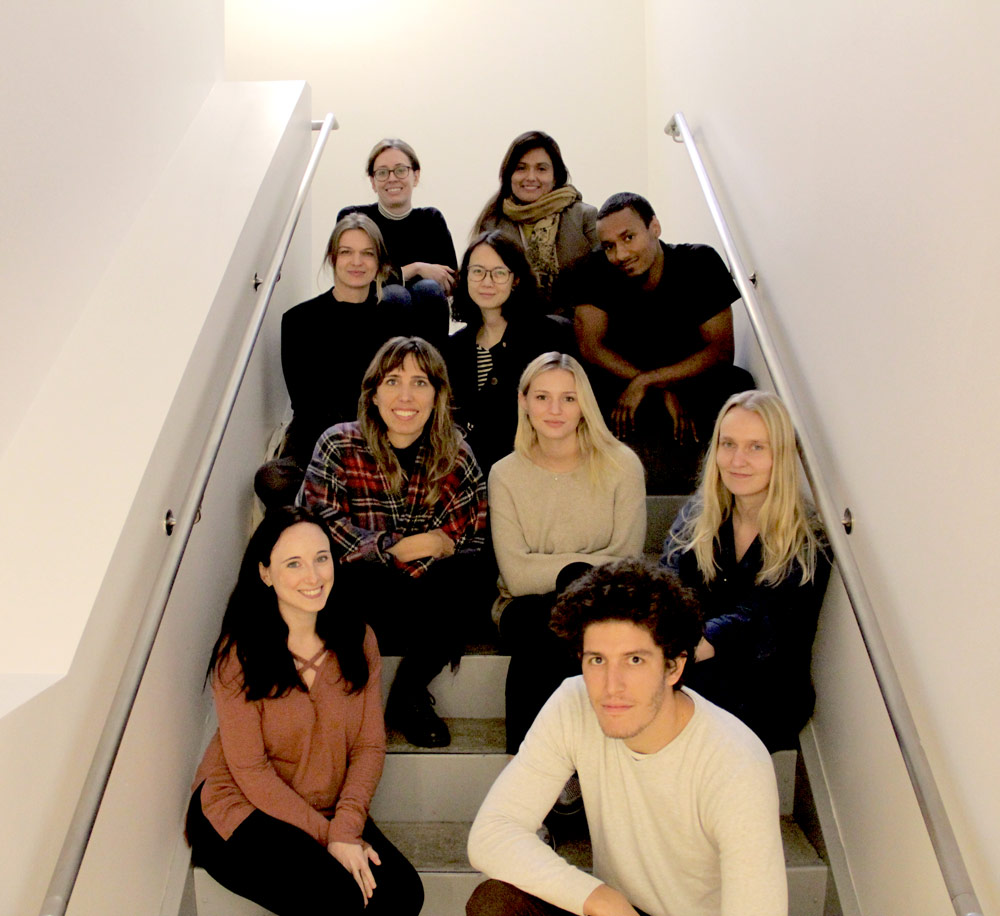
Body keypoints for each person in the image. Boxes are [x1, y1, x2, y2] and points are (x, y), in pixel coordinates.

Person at [466, 558, 787, 916]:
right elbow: (492, 833)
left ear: (673, 666)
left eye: (634, 660)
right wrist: (600, 898)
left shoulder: (735, 760)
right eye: (597, 660)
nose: (611, 686)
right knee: (496, 902)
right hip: (618, 910)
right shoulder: (575, 703)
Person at [186, 506, 423, 916]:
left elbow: (368, 746)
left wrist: (345, 826)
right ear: (265, 573)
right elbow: (251, 770)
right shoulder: (239, 654)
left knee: (403, 894)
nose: (313, 576)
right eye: (293, 563)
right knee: (339, 898)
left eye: (321, 558)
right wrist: (332, 838)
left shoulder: (358, 639)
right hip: (240, 807)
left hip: (324, 805)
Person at [296, 336, 487, 748]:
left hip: (432, 605)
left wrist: (404, 554)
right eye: (393, 381)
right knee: (351, 573)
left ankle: (408, 693)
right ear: (374, 393)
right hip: (363, 601)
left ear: (437, 396)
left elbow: (467, 538)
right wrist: (397, 549)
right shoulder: (338, 443)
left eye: (420, 383)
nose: (406, 396)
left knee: (471, 571)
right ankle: (347, 704)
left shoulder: (458, 454)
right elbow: (320, 528)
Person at [489, 352, 646, 754]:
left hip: (605, 602)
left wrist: (571, 573)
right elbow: (517, 577)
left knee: (562, 632)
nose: (554, 410)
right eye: (542, 397)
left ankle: (533, 765)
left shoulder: (622, 465)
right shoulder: (505, 473)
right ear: (524, 402)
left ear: (584, 405)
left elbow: (628, 562)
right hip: (522, 606)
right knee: (542, 626)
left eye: (568, 398)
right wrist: (583, 567)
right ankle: (551, 762)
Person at [661, 390, 831, 751]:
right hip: (694, 666)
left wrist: (690, 647)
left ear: (780, 456)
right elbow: (667, 585)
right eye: (729, 444)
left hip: (765, 687)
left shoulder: (808, 537)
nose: (737, 460)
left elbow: (761, 621)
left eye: (756, 447)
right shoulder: (699, 515)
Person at [571, 192, 754, 492]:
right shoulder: (594, 269)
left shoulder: (699, 262)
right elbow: (591, 348)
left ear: (654, 227)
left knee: (737, 384)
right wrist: (657, 388)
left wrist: (649, 381)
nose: (620, 254)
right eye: (609, 246)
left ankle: (724, 486)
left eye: (628, 237)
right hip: (621, 383)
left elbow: (721, 351)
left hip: (688, 380)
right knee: (577, 387)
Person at [256, 212, 408, 508]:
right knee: (272, 479)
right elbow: (307, 405)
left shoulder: (394, 321)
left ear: (379, 262)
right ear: (332, 258)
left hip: (380, 444)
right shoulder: (299, 321)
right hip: (318, 444)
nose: (356, 262)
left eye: (367, 253)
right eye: (347, 252)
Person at [446, 230, 574, 481]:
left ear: (516, 280)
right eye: (477, 271)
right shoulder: (454, 346)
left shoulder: (547, 335)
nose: (487, 282)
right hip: (472, 475)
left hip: (535, 469)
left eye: (499, 273)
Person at [338, 138, 456, 351]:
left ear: (415, 176)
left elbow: (448, 280)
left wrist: (392, 275)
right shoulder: (356, 219)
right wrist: (415, 269)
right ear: (373, 181)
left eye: (400, 170)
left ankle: (432, 369)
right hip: (369, 318)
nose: (392, 178)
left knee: (428, 290)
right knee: (394, 296)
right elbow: (355, 278)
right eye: (382, 172)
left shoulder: (431, 220)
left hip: (425, 317)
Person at [474, 131, 598, 311]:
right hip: (515, 320)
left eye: (541, 169)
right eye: (521, 168)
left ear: (555, 176)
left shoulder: (585, 217)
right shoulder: (492, 224)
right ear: (509, 175)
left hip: (576, 320)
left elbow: (605, 282)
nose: (531, 177)